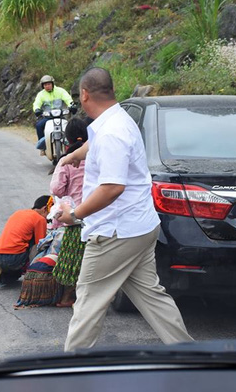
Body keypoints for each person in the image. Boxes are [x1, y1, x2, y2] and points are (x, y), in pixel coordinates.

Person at [56, 67, 193, 352]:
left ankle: (70, 370)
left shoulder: (111, 133)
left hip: (114, 233)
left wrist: (74, 215)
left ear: (84, 94)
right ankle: (190, 354)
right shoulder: (119, 119)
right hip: (139, 227)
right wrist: (75, 155)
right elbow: (98, 145)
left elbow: (111, 188)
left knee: (88, 302)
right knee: (151, 296)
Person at [50, 117, 88, 307]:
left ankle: (67, 298)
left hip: (74, 217)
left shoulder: (67, 160)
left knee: (71, 261)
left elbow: (56, 189)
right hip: (96, 215)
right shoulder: (95, 156)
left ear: (68, 139)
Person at [0, 195, 51, 285]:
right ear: (44, 209)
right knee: (40, 244)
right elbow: (40, 244)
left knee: (14, 276)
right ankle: (31, 272)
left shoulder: (18, 213)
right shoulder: (40, 219)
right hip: (14, 259)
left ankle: (0, 276)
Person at [33, 75, 73, 152]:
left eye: (49, 84)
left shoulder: (60, 91)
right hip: (48, 117)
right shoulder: (41, 94)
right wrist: (37, 109)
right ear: (42, 86)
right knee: (39, 126)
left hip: (60, 116)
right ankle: (43, 147)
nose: (47, 86)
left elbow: (68, 99)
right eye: (45, 85)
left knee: (70, 126)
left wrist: (71, 105)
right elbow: (36, 103)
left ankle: (71, 145)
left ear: (52, 84)